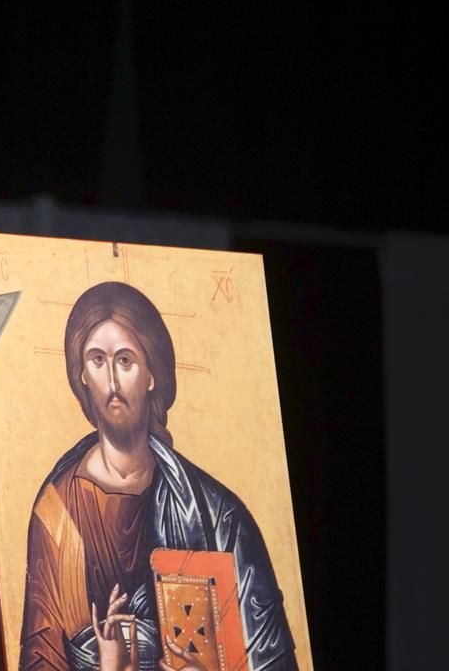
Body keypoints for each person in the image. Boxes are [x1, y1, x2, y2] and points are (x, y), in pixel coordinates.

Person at [18, 282, 297, 671]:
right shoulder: (57, 511)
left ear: (152, 373)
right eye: (98, 361)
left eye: (126, 361)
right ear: (81, 375)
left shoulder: (217, 514)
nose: (112, 384)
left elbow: (272, 660)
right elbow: (41, 659)